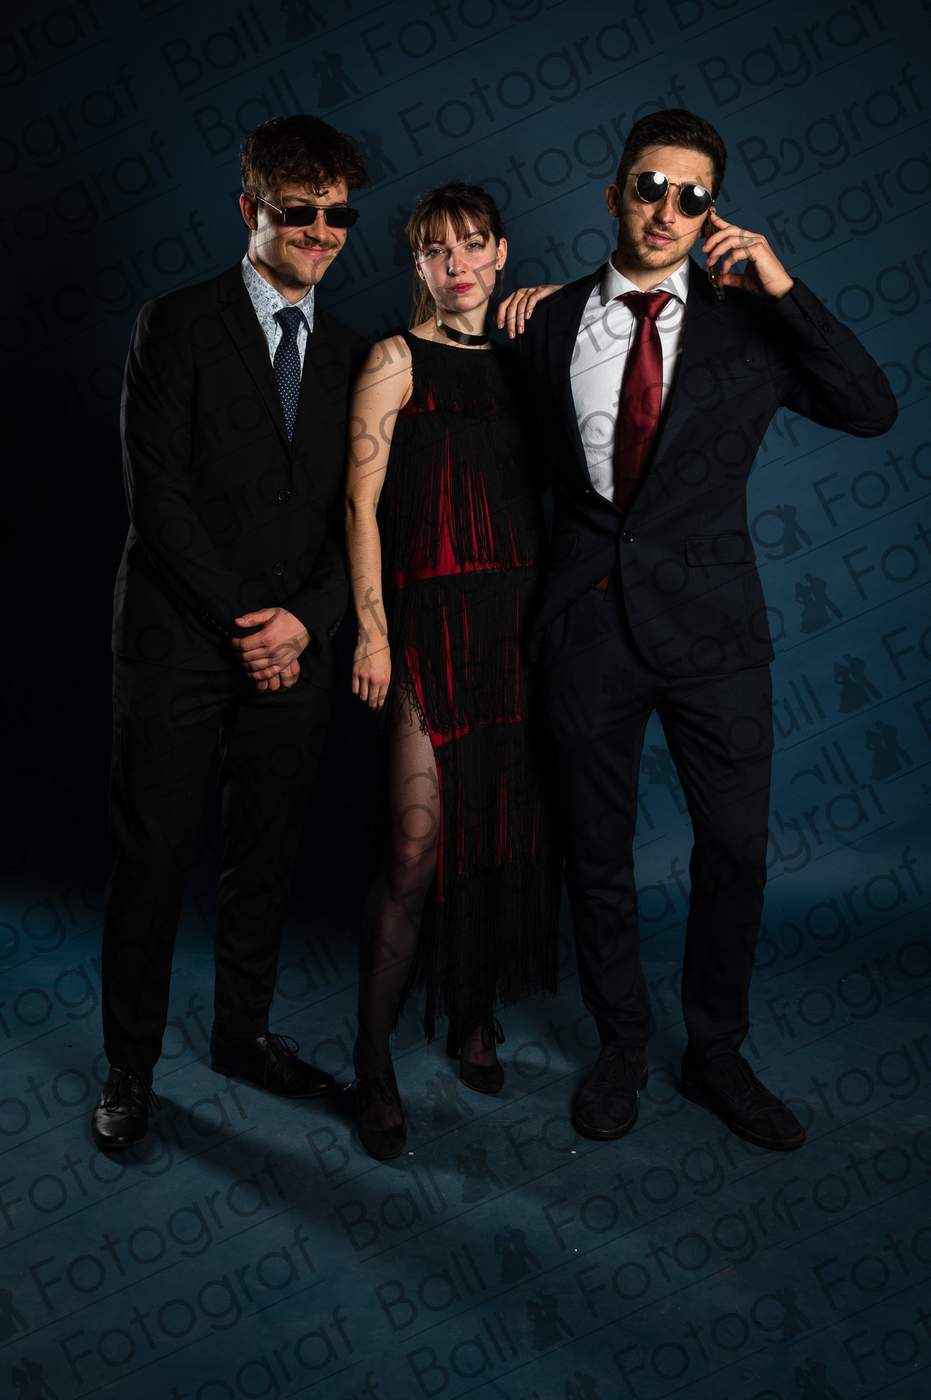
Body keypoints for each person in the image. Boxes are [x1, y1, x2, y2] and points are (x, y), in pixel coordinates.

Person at [501, 109, 897, 1150]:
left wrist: (780, 283)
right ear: (613, 195)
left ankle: (715, 1051)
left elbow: (870, 408)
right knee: (595, 855)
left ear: (712, 211)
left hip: (715, 637)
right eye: (649, 186)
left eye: (693, 196)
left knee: (735, 849)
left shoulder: (748, 324)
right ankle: (621, 1046)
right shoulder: (544, 321)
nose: (667, 209)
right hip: (586, 628)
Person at [92, 115, 370, 1151]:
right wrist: (246, 624)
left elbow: (361, 513)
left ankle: (243, 1035)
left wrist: (307, 621)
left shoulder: (354, 351)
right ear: (250, 209)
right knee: (153, 858)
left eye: (338, 214)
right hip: (177, 639)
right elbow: (156, 497)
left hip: (296, 645)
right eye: (299, 211)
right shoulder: (172, 324)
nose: (321, 231)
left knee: (265, 852)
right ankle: (129, 1068)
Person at [344, 183, 560, 1159]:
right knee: (415, 847)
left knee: (498, 832)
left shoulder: (530, 356)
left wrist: (553, 303)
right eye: (438, 250)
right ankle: (371, 1058)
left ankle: (474, 1012)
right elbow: (358, 504)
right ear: (418, 265)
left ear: (501, 252)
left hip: (516, 625)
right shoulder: (394, 358)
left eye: (473, 244)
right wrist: (372, 634)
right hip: (426, 626)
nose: (458, 264)